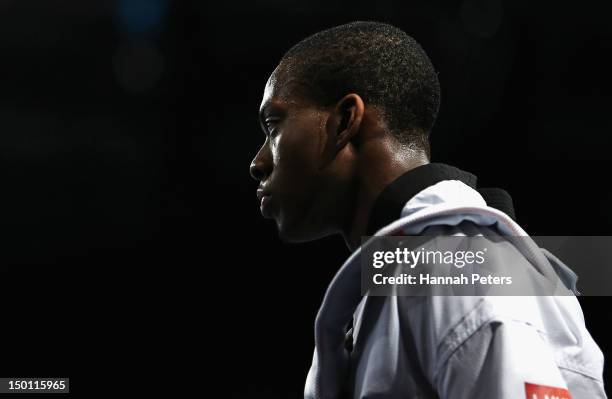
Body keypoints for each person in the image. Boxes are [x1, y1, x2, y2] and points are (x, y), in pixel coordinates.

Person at [249, 21, 606, 398]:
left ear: (344, 121)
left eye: (273, 125)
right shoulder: (403, 280)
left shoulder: (462, 272)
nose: (257, 162)